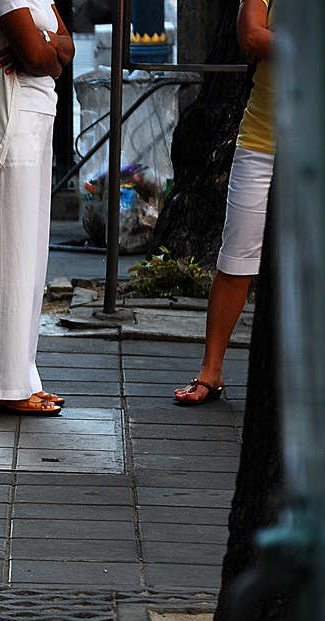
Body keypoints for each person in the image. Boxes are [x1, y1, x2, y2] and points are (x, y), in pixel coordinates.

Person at [0, 0, 74, 415]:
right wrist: (49, 50)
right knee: (10, 254)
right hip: (9, 126)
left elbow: (66, 49)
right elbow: (37, 57)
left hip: (34, 120)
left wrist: (48, 46)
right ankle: (2, 386)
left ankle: (21, 376)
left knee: (30, 257)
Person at [174, 0, 274, 404]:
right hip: (263, 139)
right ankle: (210, 371)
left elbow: (262, 38)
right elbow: (250, 33)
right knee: (236, 256)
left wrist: (277, 43)